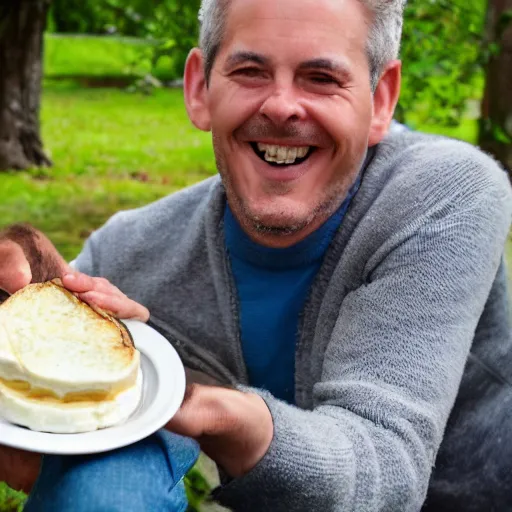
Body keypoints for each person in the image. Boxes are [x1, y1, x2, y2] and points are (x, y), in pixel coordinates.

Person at [1, 0, 511, 510]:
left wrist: (216, 411)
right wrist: (27, 304)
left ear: (381, 99)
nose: (282, 106)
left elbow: (385, 473)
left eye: (321, 78)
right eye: (250, 71)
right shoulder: (129, 251)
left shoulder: (445, 195)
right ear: (200, 88)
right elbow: (39, 418)